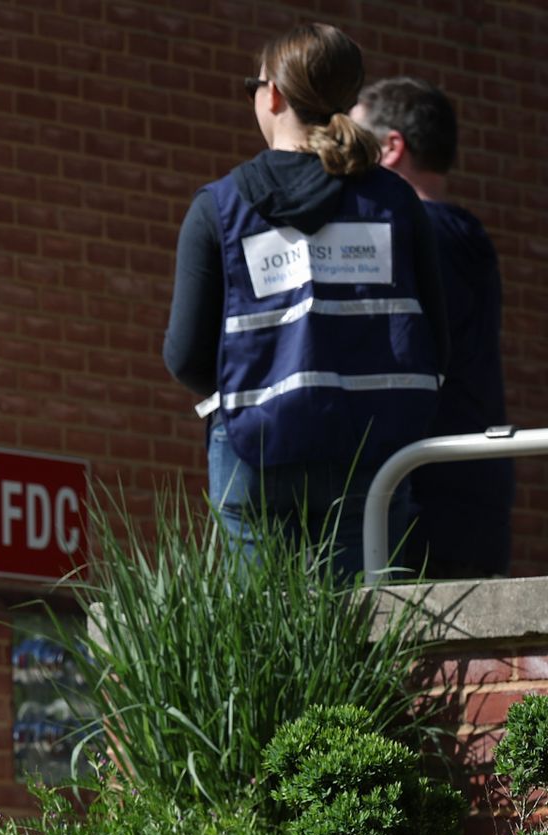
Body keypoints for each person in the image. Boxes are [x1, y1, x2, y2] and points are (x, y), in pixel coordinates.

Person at [162, 23, 448, 581]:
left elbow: (185, 357)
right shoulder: (395, 202)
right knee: (364, 643)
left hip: (255, 447)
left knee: (261, 650)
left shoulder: (219, 207)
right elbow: (436, 340)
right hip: (372, 451)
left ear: (274, 94)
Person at [354, 77, 512, 579]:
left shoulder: (414, 235)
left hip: (423, 496)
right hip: (466, 493)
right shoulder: (467, 236)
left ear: (390, 147)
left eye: (354, 141)